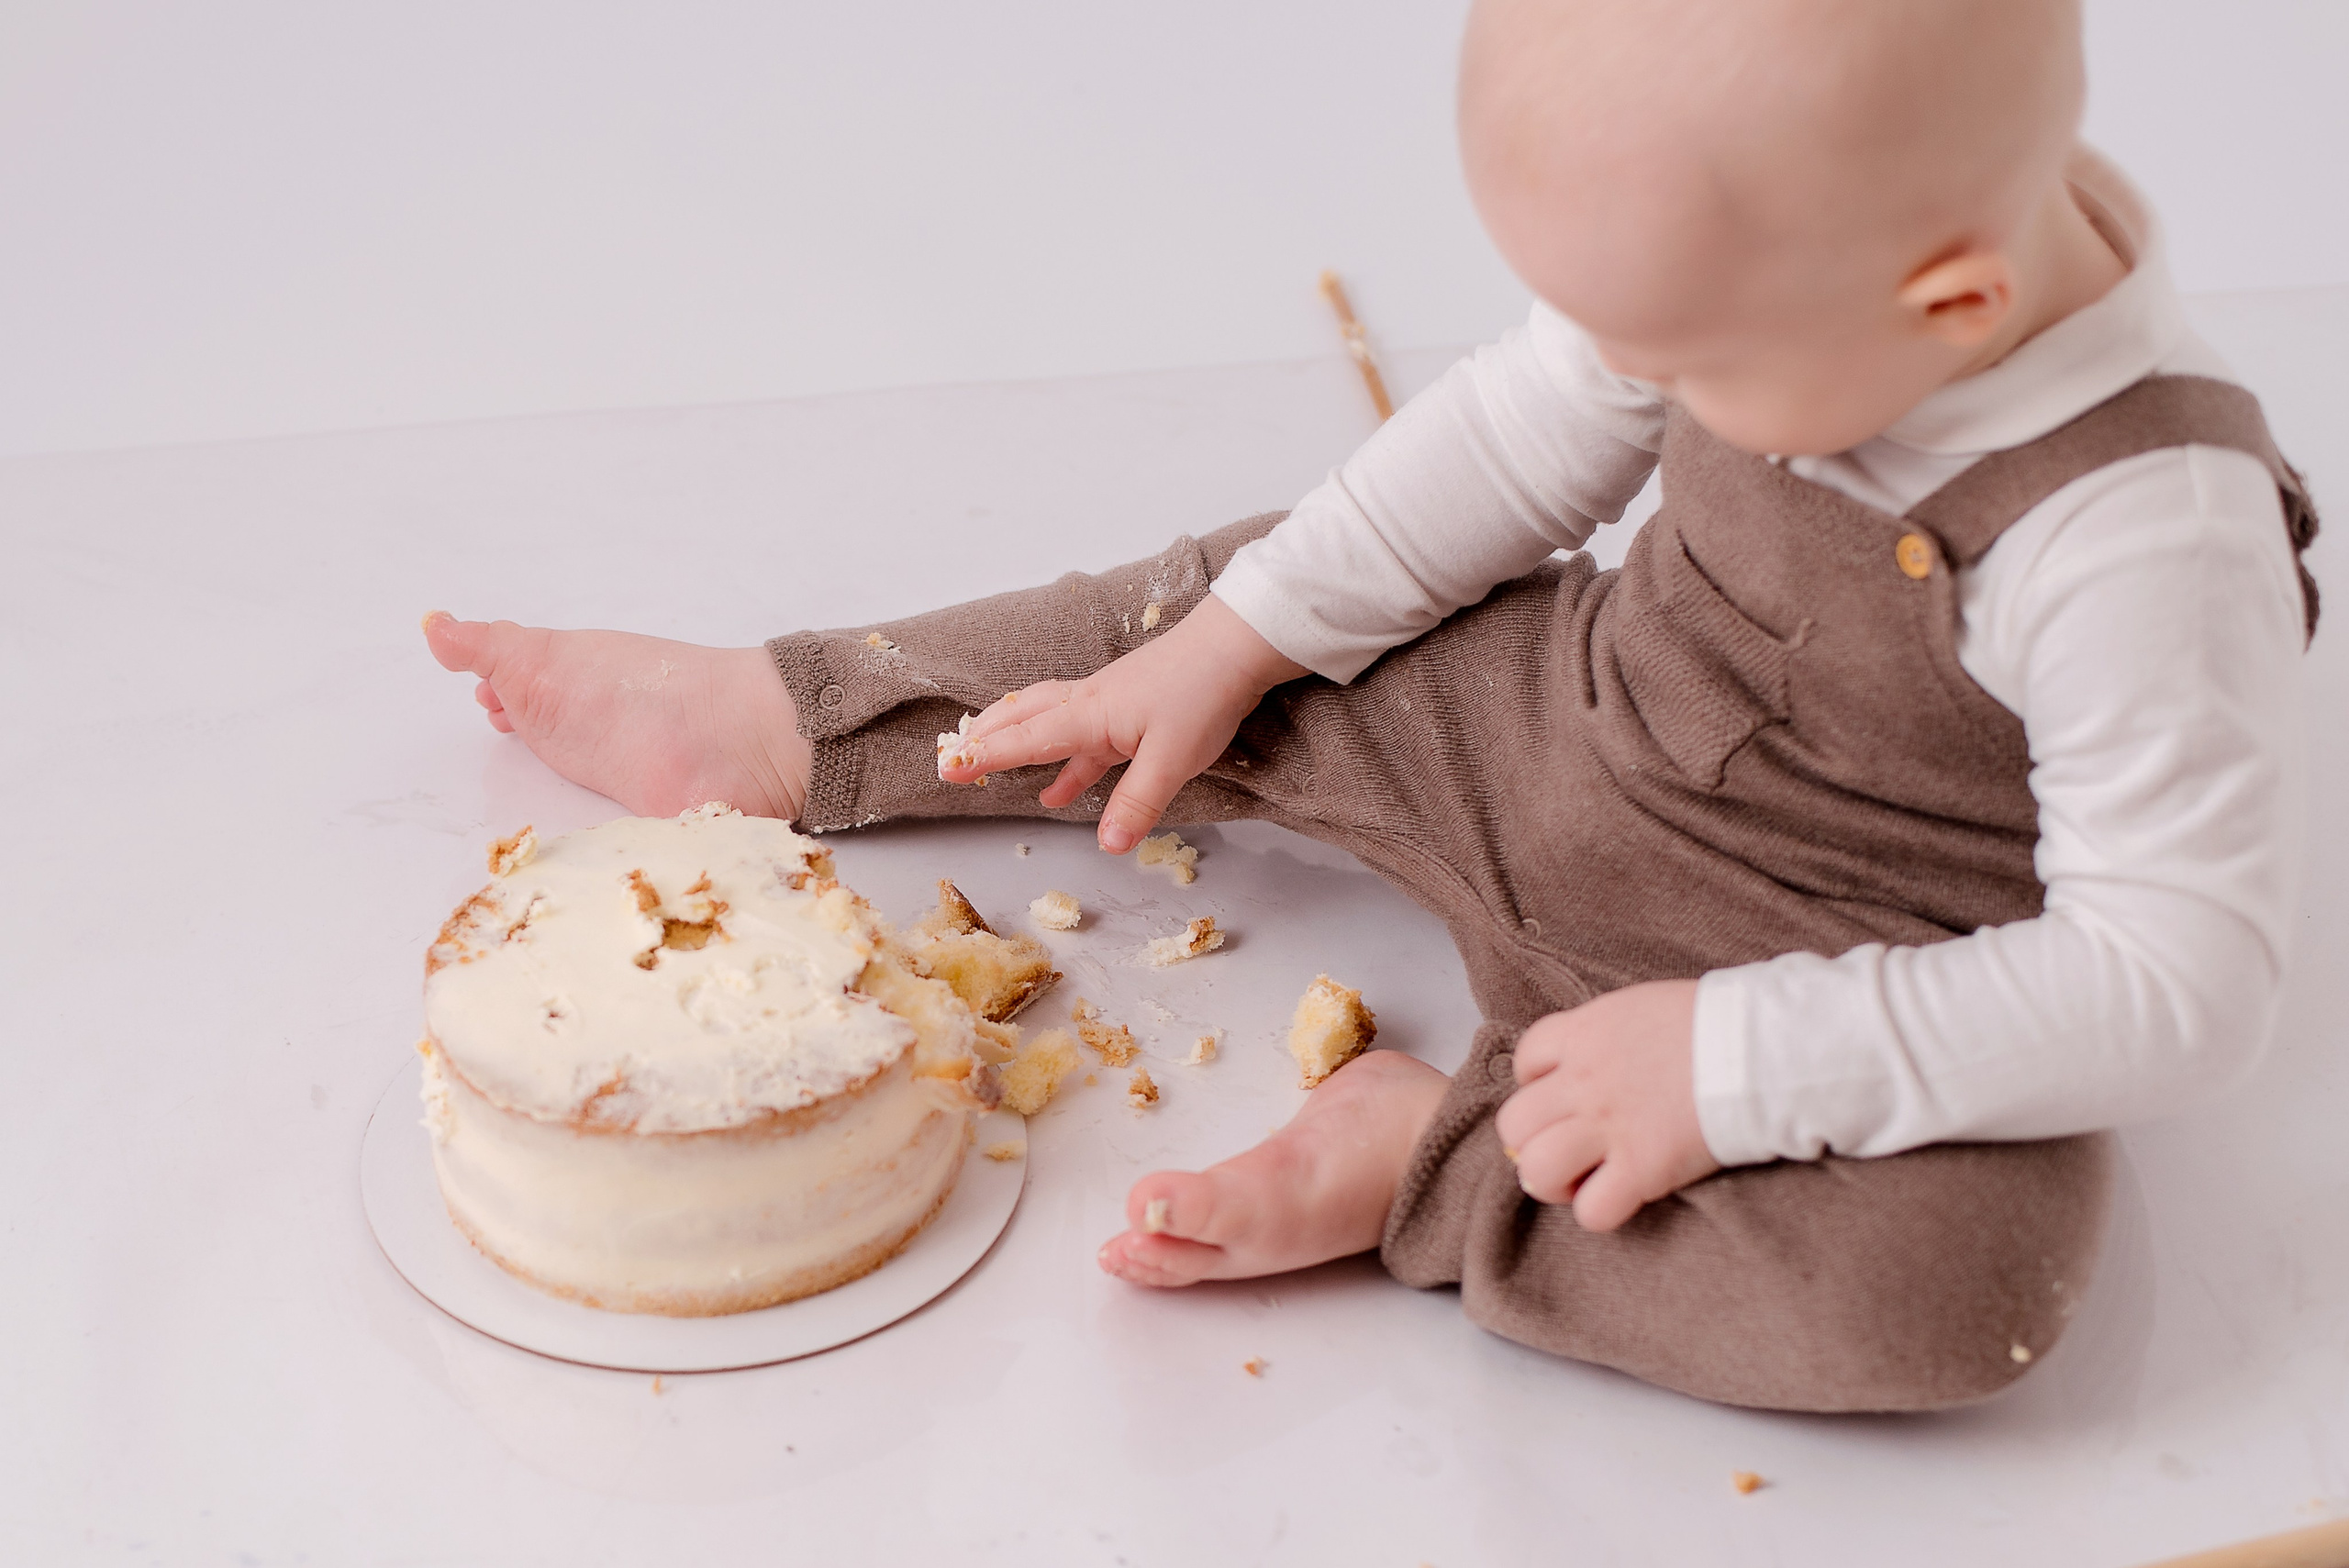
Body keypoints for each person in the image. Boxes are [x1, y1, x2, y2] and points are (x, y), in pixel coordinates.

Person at [423, 0, 2318, 1411]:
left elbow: (2177, 987)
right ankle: (800, 721)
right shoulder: (1800, 254)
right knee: (1218, 615)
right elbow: (1521, 432)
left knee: (1946, 1298)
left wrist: (1732, 1070)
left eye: (1676, 367)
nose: (1629, 386)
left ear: (1953, 306)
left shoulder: (2141, 543)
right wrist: (1237, 640)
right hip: (1571, 732)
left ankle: (1428, 1159)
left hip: (1850, 958)